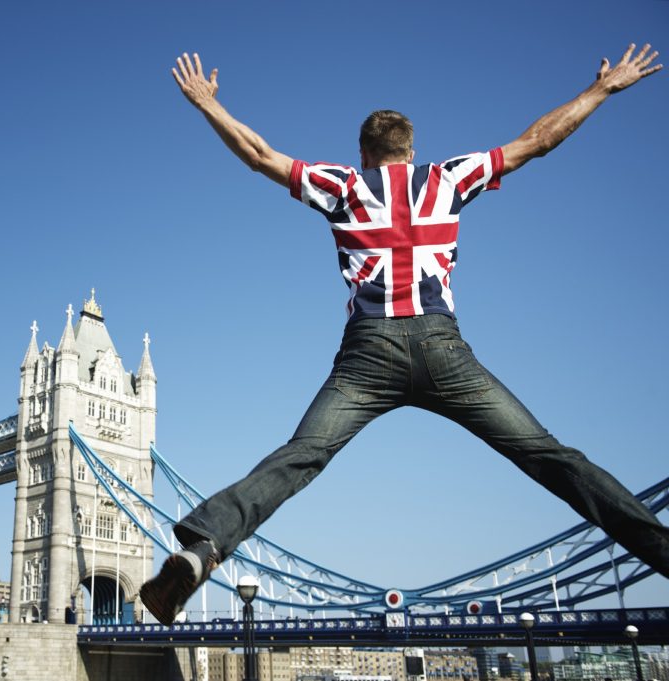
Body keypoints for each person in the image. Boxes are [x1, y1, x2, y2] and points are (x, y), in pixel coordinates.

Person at [139, 45, 668, 627]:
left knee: (301, 457)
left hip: (368, 353)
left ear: (363, 154)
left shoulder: (343, 185)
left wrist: (209, 105)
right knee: (550, 457)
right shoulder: (447, 178)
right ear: (411, 150)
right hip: (444, 351)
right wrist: (601, 90)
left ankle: (203, 548)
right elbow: (538, 139)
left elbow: (260, 154)